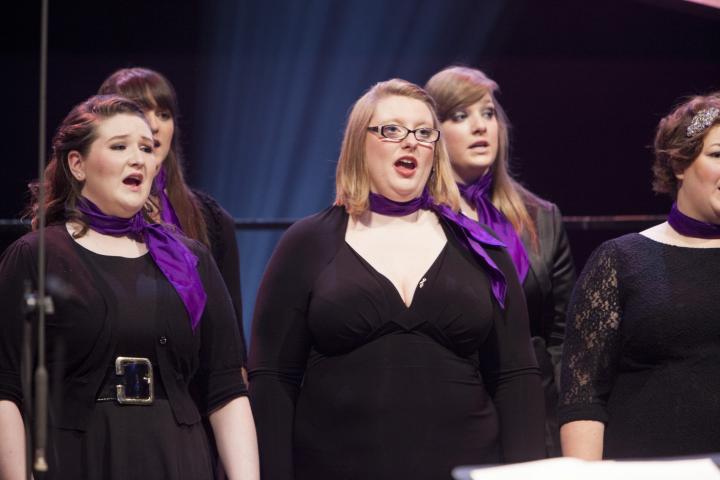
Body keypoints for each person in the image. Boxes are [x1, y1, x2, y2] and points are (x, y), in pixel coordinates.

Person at [249, 78, 545, 480]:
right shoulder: (307, 244)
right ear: (359, 142)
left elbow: (515, 379)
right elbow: (272, 379)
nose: (410, 142)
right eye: (392, 130)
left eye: (424, 133)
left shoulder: (479, 248)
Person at [0, 95, 259, 479]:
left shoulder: (188, 260)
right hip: (78, 457)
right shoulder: (35, 257)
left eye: (147, 148)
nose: (139, 158)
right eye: (120, 146)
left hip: (176, 457)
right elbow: (7, 388)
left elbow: (225, 390)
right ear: (78, 164)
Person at [558, 95, 720, 459]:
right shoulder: (621, 259)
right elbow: (583, 394)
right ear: (680, 162)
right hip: (649, 464)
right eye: (718, 155)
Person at [425, 66, 576, 456]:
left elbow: (563, 339)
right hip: (451, 410)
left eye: (487, 113)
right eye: (461, 116)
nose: (480, 126)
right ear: (434, 132)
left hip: (535, 414)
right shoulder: (419, 219)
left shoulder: (541, 218)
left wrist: (570, 423)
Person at [97, 68, 246, 361]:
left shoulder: (212, 221)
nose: (153, 125)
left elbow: (232, 343)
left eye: (164, 115)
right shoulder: (77, 220)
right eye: (140, 112)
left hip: (191, 386)